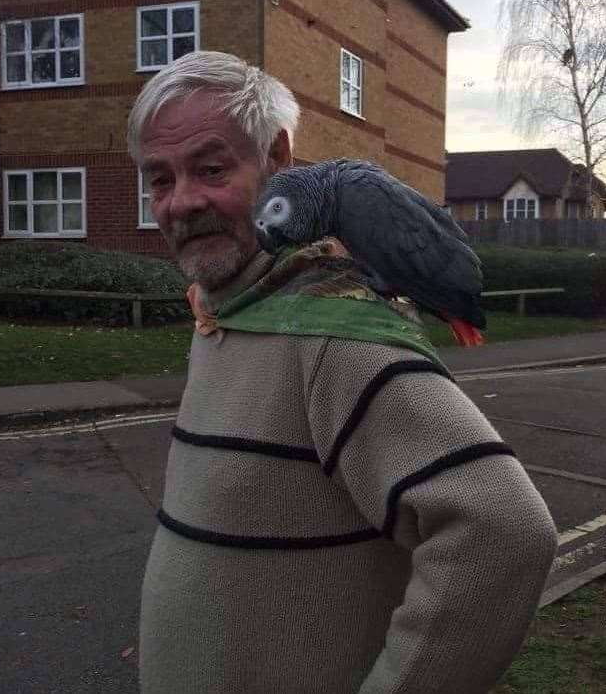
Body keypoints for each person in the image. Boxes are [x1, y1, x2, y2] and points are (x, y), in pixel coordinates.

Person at [127, 50, 557, 694]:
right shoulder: (230, 316)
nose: (181, 203)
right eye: (159, 180)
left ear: (277, 159)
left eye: (211, 169)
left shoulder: (333, 337)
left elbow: (503, 532)